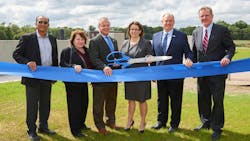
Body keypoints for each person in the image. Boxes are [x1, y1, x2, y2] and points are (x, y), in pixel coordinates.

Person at [192, 6, 235, 140]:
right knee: (203, 99)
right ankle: (205, 122)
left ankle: (217, 127)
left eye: (206, 15)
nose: (204, 18)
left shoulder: (222, 30)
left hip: (217, 73)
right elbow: (194, 52)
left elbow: (231, 47)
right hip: (202, 74)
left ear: (212, 16)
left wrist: (227, 57)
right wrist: (193, 67)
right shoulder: (196, 32)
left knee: (217, 100)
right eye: (202, 16)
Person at [12, 16, 58, 141]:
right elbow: (16, 54)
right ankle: (31, 130)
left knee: (45, 104)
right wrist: (27, 62)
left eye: (46, 22)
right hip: (32, 78)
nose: (43, 24)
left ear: (49, 24)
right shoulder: (27, 38)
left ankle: (43, 126)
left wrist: (55, 74)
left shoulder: (53, 39)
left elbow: (54, 57)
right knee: (32, 105)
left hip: (47, 76)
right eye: (40, 22)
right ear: (36, 24)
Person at [151, 13, 193, 133]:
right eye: (166, 21)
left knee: (176, 100)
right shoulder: (156, 36)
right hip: (160, 74)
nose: (168, 23)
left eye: (170, 21)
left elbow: (188, 52)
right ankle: (161, 122)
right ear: (162, 22)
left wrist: (189, 59)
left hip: (176, 75)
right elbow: (154, 55)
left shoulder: (181, 36)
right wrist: (153, 72)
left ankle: (174, 124)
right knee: (161, 99)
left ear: (173, 22)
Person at [88, 17, 120, 135]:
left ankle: (110, 121)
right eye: (103, 25)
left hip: (113, 77)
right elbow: (93, 58)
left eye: (107, 25)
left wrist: (118, 64)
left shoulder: (114, 41)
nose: (106, 27)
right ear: (99, 27)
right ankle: (100, 125)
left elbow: (115, 56)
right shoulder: (94, 41)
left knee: (112, 101)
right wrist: (104, 67)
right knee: (99, 104)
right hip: (100, 78)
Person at [120, 21, 153, 133]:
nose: (133, 31)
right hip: (129, 77)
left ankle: (143, 122)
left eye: (136, 29)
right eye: (131, 29)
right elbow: (122, 59)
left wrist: (149, 57)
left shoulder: (146, 43)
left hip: (142, 76)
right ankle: (129, 121)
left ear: (140, 31)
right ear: (129, 31)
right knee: (130, 100)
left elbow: (150, 55)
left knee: (142, 100)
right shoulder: (125, 43)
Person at [60, 30, 92, 138]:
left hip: (83, 83)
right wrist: (73, 66)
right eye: (78, 39)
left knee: (84, 104)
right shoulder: (67, 51)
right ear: (73, 40)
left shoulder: (87, 51)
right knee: (74, 107)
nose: (80, 41)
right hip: (72, 84)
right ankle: (75, 130)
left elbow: (91, 64)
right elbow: (63, 64)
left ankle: (81, 124)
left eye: (82, 39)